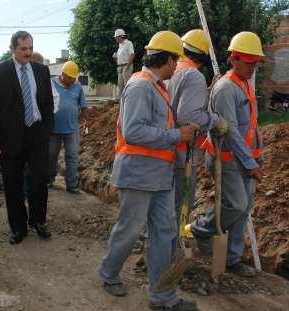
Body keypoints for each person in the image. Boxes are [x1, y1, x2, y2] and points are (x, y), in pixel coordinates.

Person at [98, 31, 200, 311]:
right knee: (129, 230)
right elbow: (133, 132)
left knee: (165, 234)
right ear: (165, 60)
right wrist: (177, 135)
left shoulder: (159, 87)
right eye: (175, 61)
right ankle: (108, 272)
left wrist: (180, 134)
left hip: (161, 175)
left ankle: (162, 296)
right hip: (138, 173)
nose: (176, 67)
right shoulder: (141, 86)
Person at [192, 31, 265, 277]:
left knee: (243, 210)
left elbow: (251, 125)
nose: (253, 67)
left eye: (256, 63)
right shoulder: (225, 89)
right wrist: (249, 162)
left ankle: (232, 260)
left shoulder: (244, 84)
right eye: (248, 62)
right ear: (233, 59)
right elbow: (231, 131)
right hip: (228, 159)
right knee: (236, 205)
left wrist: (257, 155)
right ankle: (201, 228)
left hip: (244, 158)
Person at [0, 31, 54, 245]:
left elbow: (47, 103)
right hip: (9, 139)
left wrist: (46, 130)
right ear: (12, 48)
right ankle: (18, 227)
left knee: (39, 181)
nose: (28, 53)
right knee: (12, 184)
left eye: (30, 48)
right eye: (23, 49)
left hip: (36, 134)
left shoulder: (41, 70)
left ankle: (38, 220)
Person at [167, 29, 227, 226]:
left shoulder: (172, 69)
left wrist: (208, 89)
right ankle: (174, 245)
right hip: (183, 151)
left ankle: (165, 240)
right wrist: (215, 120)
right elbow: (189, 115)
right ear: (202, 55)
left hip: (165, 146)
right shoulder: (193, 75)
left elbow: (179, 103)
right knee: (182, 202)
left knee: (167, 201)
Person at [48, 61, 87, 194]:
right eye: (71, 77)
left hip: (72, 130)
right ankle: (49, 179)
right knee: (51, 156)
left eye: (74, 78)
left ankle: (72, 185)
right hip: (53, 130)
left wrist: (81, 122)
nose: (73, 80)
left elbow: (84, 107)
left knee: (72, 157)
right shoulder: (51, 84)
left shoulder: (78, 87)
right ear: (63, 75)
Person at [113, 29, 135, 100]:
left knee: (127, 84)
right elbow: (118, 61)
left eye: (116, 37)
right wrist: (115, 58)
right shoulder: (120, 45)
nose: (115, 38)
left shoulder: (128, 43)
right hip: (120, 67)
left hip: (126, 65)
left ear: (120, 36)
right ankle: (121, 101)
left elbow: (132, 55)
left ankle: (129, 100)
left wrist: (128, 66)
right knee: (120, 85)